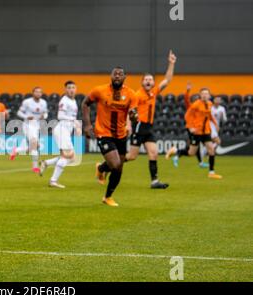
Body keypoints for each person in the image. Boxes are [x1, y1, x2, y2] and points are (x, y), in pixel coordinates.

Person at [82, 67, 138, 207]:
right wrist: (88, 125)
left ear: (125, 77)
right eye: (115, 74)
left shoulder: (131, 94)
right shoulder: (99, 90)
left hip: (121, 134)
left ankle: (107, 194)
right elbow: (85, 103)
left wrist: (133, 117)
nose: (117, 76)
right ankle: (103, 171)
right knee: (115, 164)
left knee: (119, 168)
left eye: (120, 74)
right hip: (103, 132)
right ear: (111, 76)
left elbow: (133, 114)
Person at [125, 50, 177, 189]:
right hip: (139, 126)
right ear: (142, 82)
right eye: (146, 80)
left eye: (150, 80)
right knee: (131, 156)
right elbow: (130, 111)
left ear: (153, 83)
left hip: (148, 127)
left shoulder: (154, 92)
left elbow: (167, 80)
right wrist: (128, 125)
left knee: (154, 153)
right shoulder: (137, 95)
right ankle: (104, 167)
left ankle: (154, 182)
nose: (148, 81)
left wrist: (171, 63)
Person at [165, 88, 222, 179]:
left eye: (206, 94)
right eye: (203, 93)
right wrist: (191, 127)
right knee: (191, 153)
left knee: (211, 150)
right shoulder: (196, 105)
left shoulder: (210, 104)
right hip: (196, 132)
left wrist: (215, 124)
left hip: (206, 131)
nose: (204, 95)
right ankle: (175, 150)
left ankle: (211, 172)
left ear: (209, 96)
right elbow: (187, 116)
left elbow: (209, 115)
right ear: (200, 95)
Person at [39, 81, 79, 188]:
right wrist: (74, 121)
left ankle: (46, 163)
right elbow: (60, 115)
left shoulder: (73, 101)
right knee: (66, 156)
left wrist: (74, 124)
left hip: (66, 131)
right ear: (65, 89)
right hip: (62, 130)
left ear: (76, 89)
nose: (71, 89)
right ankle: (53, 181)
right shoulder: (64, 100)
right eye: (69, 87)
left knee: (71, 157)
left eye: (73, 87)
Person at [10, 87, 48, 174]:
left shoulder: (44, 102)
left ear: (41, 94)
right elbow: (19, 113)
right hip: (28, 125)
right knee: (34, 144)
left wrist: (44, 116)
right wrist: (26, 117)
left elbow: (45, 113)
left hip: (36, 126)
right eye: (36, 92)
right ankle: (35, 167)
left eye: (40, 92)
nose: (38, 93)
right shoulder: (27, 102)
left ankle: (17, 150)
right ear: (33, 93)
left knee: (36, 146)